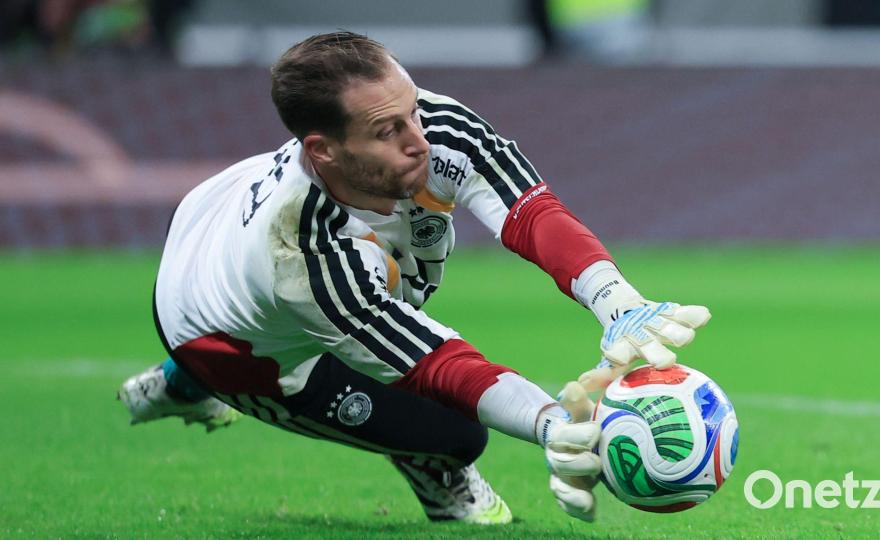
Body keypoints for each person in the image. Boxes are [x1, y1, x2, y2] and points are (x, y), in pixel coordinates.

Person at [118, 31, 710, 525]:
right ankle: (192, 382)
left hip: (216, 219)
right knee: (457, 432)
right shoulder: (301, 257)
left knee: (391, 286)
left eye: (411, 111)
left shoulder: (430, 123)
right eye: (387, 131)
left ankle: (178, 383)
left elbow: (530, 212)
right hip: (217, 339)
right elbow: (431, 363)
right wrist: (550, 425)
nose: (419, 141)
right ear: (322, 151)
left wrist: (618, 301)